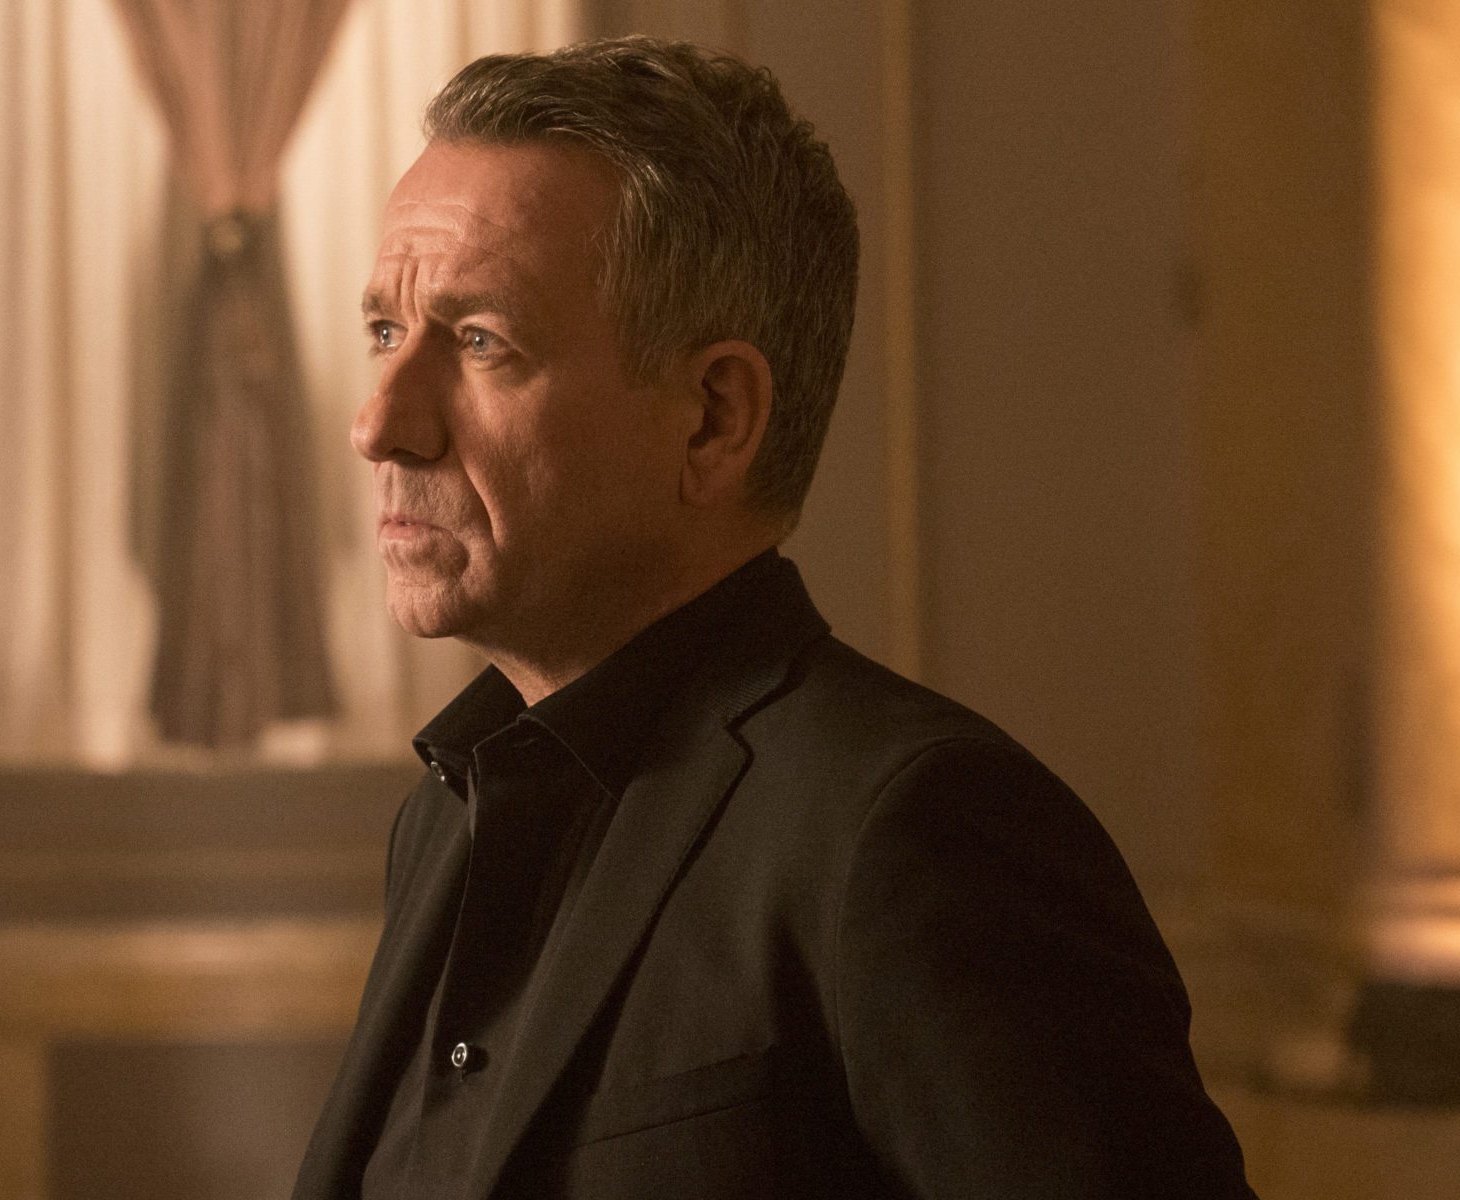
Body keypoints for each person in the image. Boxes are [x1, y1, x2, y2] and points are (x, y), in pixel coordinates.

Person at [293, 36, 1255, 1200]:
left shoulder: (918, 832)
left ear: (713, 419)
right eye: (385, 333)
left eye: (481, 341)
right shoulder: (440, 821)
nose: (380, 424)